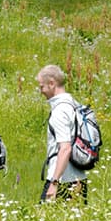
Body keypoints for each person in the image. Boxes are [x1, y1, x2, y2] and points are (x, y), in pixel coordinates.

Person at [36, 64, 88, 203]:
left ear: (52, 83)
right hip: (80, 178)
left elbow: (65, 148)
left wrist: (54, 183)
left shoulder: (60, 111)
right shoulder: (74, 104)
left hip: (63, 180)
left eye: (42, 86)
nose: (41, 91)